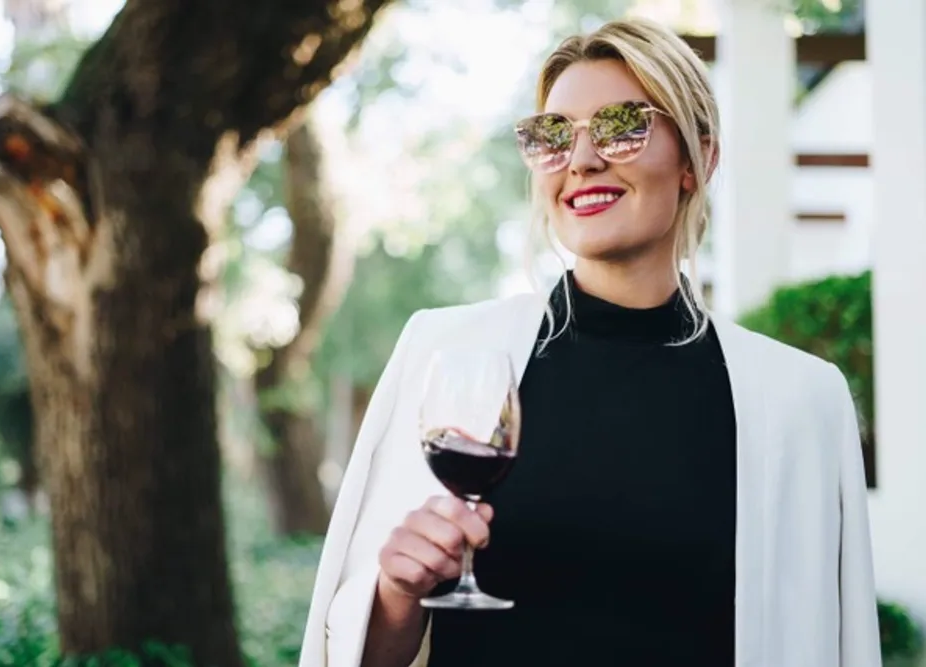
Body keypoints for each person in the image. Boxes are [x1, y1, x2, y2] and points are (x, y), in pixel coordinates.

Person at [298, 16, 881, 667]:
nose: (581, 161)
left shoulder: (801, 400)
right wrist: (397, 591)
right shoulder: (446, 352)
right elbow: (361, 653)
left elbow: (831, 643)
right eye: (554, 136)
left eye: (621, 127)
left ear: (698, 160)